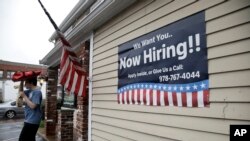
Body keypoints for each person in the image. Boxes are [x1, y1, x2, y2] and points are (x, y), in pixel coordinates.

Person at [18, 77, 42, 141]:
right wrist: (21, 81)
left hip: (33, 120)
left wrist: (24, 96)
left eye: (26, 82)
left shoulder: (37, 92)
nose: (25, 84)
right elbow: (20, 92)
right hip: (28, 119)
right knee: (30, 139)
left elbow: (33, 106)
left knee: (22, 139)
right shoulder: (29, 91)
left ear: (31, 83)